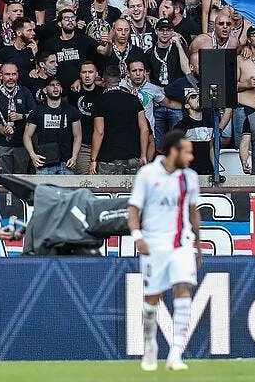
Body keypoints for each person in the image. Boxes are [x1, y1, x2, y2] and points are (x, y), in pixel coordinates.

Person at [129, 130, 201, 372]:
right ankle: (150, 344)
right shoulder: (148, 174)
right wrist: (137, 236)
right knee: (151, 300)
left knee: (183, 290)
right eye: (188, 152)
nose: (191, 157)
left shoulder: (189, 177)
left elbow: (193, 212)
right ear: (174, 151)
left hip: (181, 244)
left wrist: (198, 244)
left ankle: (176, 352)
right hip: (154, 245)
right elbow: (133, 210)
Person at [90, 67, 151, 175]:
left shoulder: (100, 101)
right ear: (120, 79)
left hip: (107, 159)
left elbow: (99, 132)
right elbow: (145, 129)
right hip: (132, 158)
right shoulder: (134, 99)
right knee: (132, 191)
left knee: (108, 191)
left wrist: (93, 159)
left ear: (103, 80)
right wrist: (143, 155)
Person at [24, 77, 81, 175]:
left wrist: (74, 157)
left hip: (66, 162)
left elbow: (78, 135)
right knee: (45, 190)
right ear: (45, 90)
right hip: (45, 163)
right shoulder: (37, 112)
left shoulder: (71, 111)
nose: (55, 88)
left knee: (67, 190)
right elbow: (27, 136)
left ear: (61, 89)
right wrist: (33, 155)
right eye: (52, 85)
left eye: (58, 85)